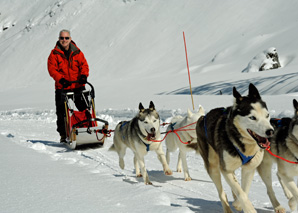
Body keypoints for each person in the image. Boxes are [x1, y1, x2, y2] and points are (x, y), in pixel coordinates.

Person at [47, 29, 89, 142]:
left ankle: (88, 129)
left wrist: (84, 76)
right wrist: (61, 79)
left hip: (77, 85)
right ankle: (63, 135)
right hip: (62, 87)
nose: (64, 40)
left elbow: (84, 65)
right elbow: (52, 70)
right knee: (61, 113)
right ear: (59, 39)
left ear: (70, 39)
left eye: (66, 38)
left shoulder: (77, 52)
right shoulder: (54, 54)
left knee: (84, 109)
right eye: (62, 38)